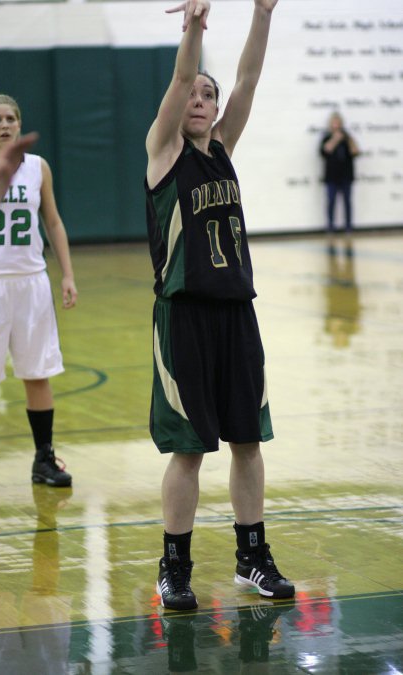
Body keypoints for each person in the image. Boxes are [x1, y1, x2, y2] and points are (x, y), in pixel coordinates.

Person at [145, 0, 294, 611]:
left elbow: (250, 78)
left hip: (237, 312)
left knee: (246, 443)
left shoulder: (223, 149)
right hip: (184, 317)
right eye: (194, 94)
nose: (201, 98)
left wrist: (262, 12)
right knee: (189, 448)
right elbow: (183, 76)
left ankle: (251, 558)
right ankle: (174, 567)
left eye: (210, 93)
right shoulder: (163, 151)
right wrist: (196, 26)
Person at [0, 94, 77, 493]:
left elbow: (53, 223)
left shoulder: (38, 168)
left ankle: (44, 458)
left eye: (11, 119)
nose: (5, 125)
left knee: (37, 374)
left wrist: (67, 276)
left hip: (31, 283)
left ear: (19, 125)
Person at [320, 111, 360, 232]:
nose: (336, 125)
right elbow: (324, 152)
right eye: (334, 123)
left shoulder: (347, 137)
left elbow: (355, 152)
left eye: (338, 123)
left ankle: (348, 226)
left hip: (346, 176)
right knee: (331, 201)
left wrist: (349, 141)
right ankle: (330, 226)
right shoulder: (327, 137)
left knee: (347, 201)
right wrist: (335, 139)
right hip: (332, 176)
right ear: (331, 124)